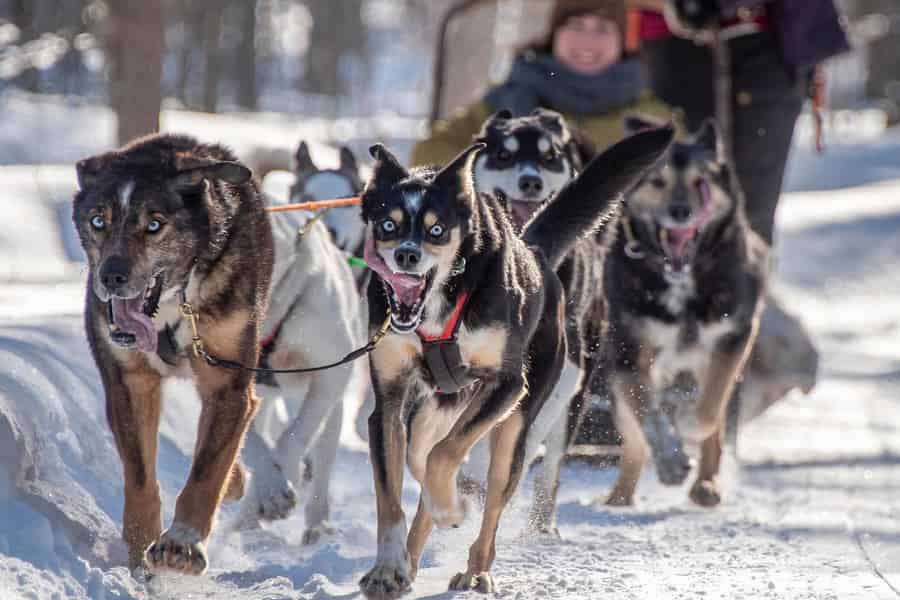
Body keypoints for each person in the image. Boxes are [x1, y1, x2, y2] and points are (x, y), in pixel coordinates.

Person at [628, 0, 849, 244]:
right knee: (663, 215)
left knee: (750, 219)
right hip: (668, 43)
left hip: (761, 44)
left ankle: (746, 277)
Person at [412, 0, 671, 166]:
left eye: (602, 29)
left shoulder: (650, 119)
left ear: (622, 42)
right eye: (576, 25)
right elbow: (428, 155)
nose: (587, 41)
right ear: (554, 35)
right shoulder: (504, 103)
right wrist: (491, 171)